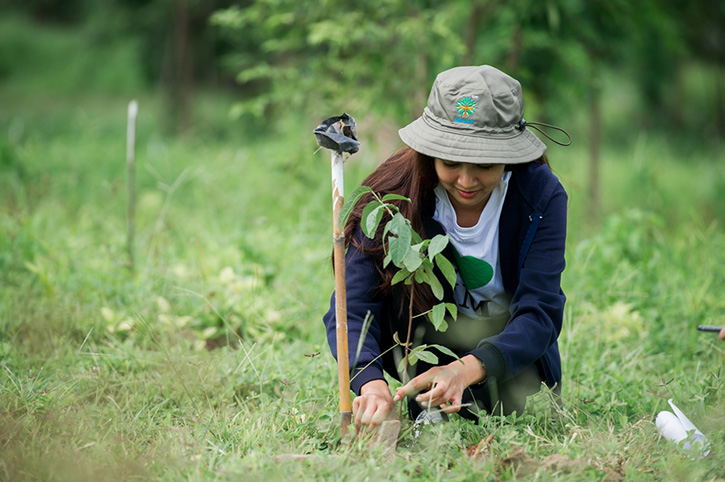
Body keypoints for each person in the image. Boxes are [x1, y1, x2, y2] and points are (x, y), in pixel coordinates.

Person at [323, 65, 569, 432]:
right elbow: (352, 305)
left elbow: (540, 313)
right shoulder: (391, 195)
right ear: (429, 152)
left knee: (508, 409)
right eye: (451, 163)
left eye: (485, 165)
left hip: (505, 360)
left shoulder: (540, 196)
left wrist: (463, 370)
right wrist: (370, 382)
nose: (466, 181)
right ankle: (426, 401)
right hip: (421, 349)